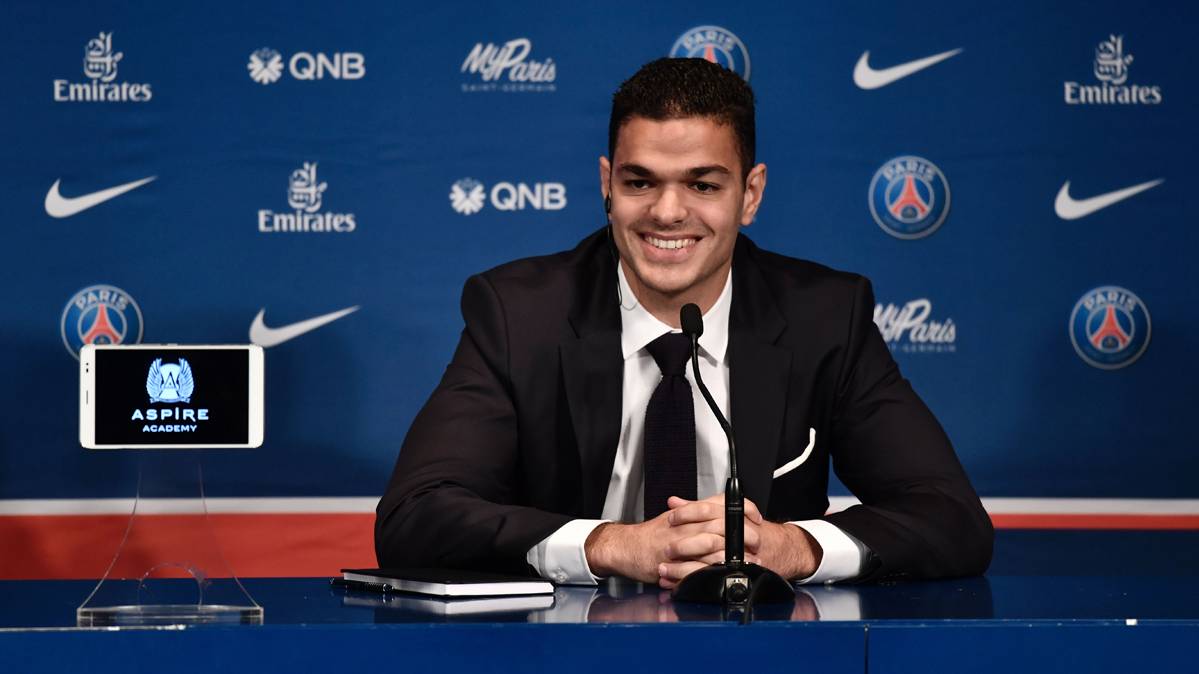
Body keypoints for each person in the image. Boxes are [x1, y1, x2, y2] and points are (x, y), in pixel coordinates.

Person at [376, 58, 992, 587]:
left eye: (702, 184)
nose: (667, 212)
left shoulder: (825, 316)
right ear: (606, 186)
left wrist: (790, 548)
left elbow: (950, 517)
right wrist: (610, 546)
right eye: (640, 181)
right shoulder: (518, 313)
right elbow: (416, 515)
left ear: (749, 195)